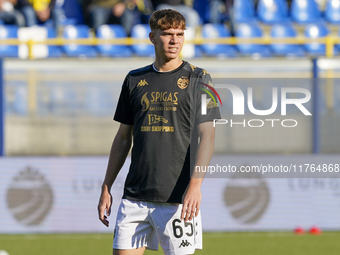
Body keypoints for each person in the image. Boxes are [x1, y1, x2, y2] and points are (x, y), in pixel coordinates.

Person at [97, 8, 220, 255]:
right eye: (167, 34)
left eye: (179, 33)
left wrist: (195, 186)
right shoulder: (133, 79)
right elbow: (123, 138)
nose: (175, 40)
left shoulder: (201, 78)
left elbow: (208, 135)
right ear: (152, 37)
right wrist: (107, 186)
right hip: (135, 197)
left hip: (178, 200)